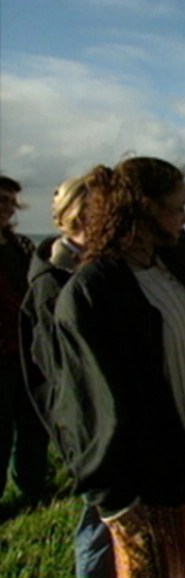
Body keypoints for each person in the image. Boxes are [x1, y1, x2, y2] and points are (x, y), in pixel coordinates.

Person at [53, 157, 185, 577]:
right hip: (148, 480)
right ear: (142, 209)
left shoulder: (168, 264)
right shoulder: (94, 291)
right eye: (176, 208)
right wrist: (114, 499)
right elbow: (87, 405)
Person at [19, 176, 115, 577]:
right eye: (102, 208)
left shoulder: (94, 264)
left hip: (105, 410)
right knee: (99, 515)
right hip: (87, 416)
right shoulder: (52, 283)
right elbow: (60, 365)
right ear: (79, 214)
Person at [0, 174, 49, 505]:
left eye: (9, 201)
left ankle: (32, 491)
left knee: (34, 429)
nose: (5, 208)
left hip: (28, 352)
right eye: (0, 200)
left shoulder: (23, 246)